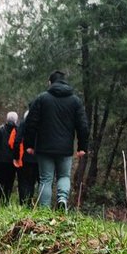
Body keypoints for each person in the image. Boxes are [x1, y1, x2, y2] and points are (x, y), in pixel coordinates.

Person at [23, 70, 89, 212]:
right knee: (64, 176)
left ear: (50, 82)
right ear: (65, 81)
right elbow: (83, 125)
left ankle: (44, 212)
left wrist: (29, 144)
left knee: (46, 179)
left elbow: (30, 123)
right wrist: (82, 146)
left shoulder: (41, 98)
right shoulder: (75, 101)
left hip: (44, 147)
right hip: (65, 148)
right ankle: (62, 199)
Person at [0, 110, 19, 206]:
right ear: (16, 120)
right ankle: (6, 199)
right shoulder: (18, 130)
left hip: (1, 161)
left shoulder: (0, 130)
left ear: (7, 118)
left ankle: (3, 198)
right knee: (9, 182)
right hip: (12, 161)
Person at [13, 110, 38, 207]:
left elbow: (17, 141)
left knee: (23, 182)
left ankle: (23, 204)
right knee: (31, 183)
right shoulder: (40, 124)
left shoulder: (23, 124)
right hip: (38, 158)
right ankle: (29, 204)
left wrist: (16, 157)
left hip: (25, 158)